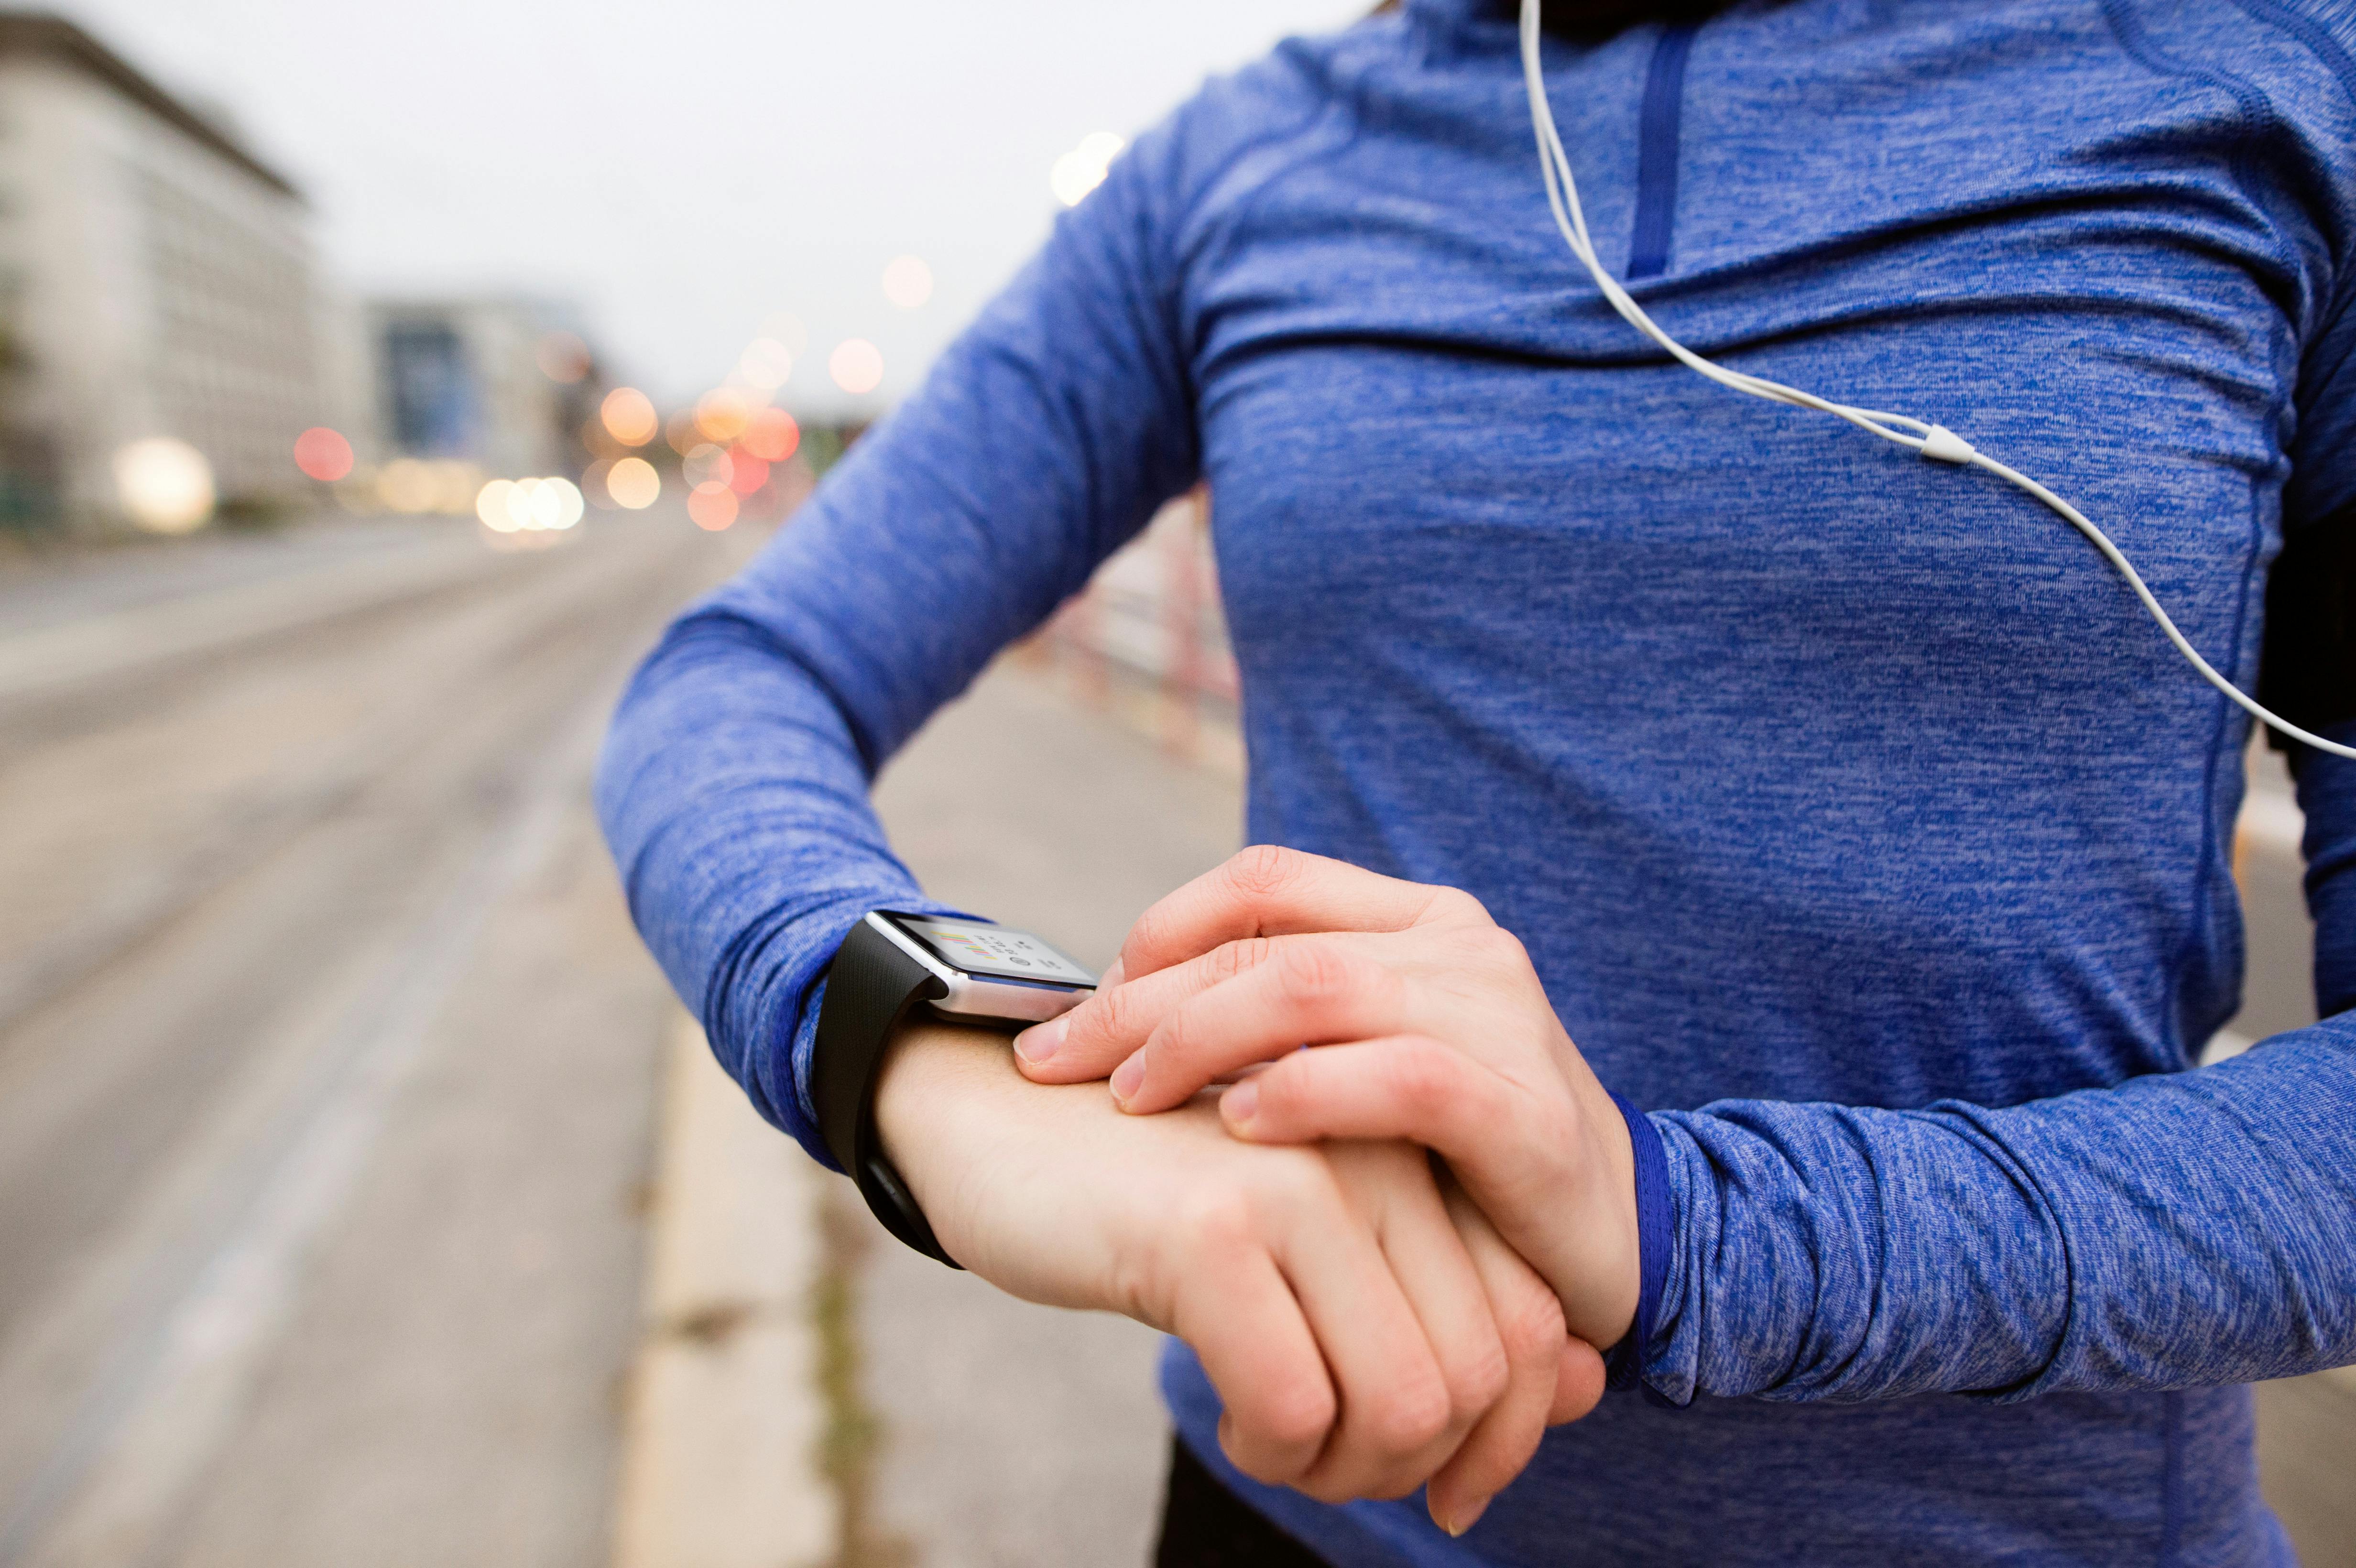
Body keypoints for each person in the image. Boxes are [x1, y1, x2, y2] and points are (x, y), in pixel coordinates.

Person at [597, 0, 2356, 1560]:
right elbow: (736, 683)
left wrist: (1692, 1233)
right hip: (1294, 1518)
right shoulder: (1250, 155)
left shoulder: (2278, 80)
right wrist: (938, 1058)